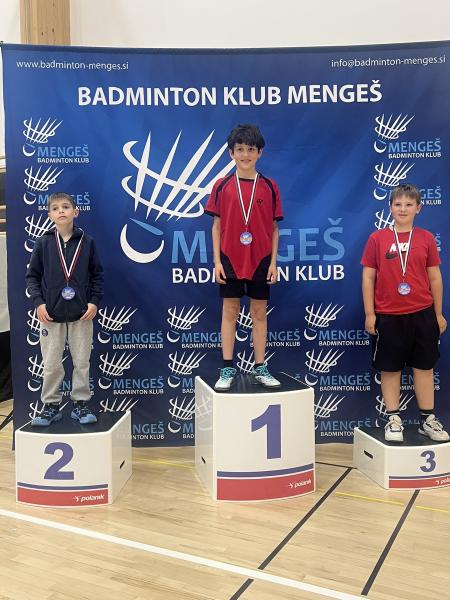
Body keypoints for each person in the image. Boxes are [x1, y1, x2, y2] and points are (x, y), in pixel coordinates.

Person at [361, 183, 448, 442]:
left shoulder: (426, 238)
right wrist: (370, 314)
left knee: (424, 367)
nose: (403, 209)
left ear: (418, 208)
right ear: (390, 207)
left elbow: (435, 278)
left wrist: (438, 313)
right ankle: (393, 419)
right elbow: (368, 278)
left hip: (422, 313)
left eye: (409, 204)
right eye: (398, 204)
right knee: (390, 369)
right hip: (388, 315)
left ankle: (427, 420)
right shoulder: (377, 239)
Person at [205, 124, 283, 390]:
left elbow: (274, 228)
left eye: (251, 149)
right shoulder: (222, 185)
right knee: (230, 311)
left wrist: (273, 263)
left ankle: (260, 367)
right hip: (229, 259)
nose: (245, 155)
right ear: (231, 153)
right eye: (240, 149)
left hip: (261, 259)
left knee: (259, 313)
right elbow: (216, 226)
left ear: (260, 152)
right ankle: (227, 367)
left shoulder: (269, 186)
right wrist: (217, 262)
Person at [26, 192, 103, 425]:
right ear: (49, 215)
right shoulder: (43, 242)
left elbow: (97, 275)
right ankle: (51, 405)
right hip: (50, 314)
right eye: (55, 208)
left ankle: (80, 403)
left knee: (82, 362)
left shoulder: (87, 242)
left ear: (75, 212)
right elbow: (32, 276)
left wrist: (94, 302)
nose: (61, 210)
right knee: (51, 364)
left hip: (82, 314)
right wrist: (39, 303)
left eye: (66, 206)